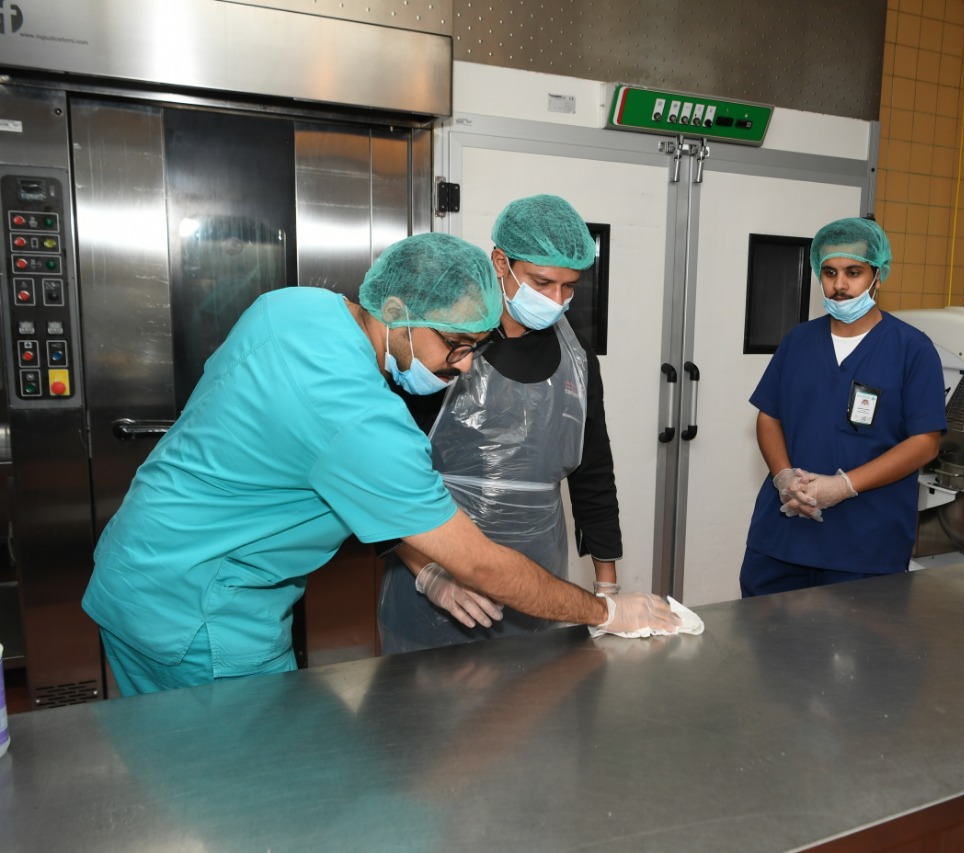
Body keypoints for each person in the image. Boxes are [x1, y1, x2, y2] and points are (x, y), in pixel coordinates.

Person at [82, 232, 679, 695]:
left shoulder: (292, 307)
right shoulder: (361, 419)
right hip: (202, 615)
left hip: (138, 567)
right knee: (250, 786)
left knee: (175, 762)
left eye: (475, 347)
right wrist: (606, 609)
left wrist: (428, 570)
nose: (464, 367)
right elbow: (482, 564)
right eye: (456, 345)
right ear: (396, 312)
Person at [378, 195, 625, 652]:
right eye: (542, 282)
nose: (556, 300)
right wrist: (429, 575)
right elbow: (385, 477)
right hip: (437, 581)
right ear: (499, 262)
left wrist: (607, 590)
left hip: (540, 579)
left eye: (569, 287)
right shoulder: (444, 340)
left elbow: (593, 473)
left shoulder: (576, 357)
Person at [739, 217, 947, 597]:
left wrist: (844, 486)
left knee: (853, 634)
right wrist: (783, 477)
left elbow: (925, 443)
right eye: (830, 272)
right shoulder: (798, 341)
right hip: (783, 535)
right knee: (763, 632)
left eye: (854, 272)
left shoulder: (912, 349)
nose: (840, 285)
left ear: (878, 276)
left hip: (865, 544)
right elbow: (769, 416)